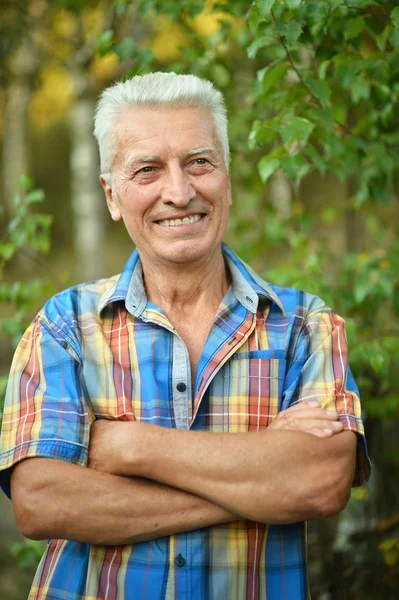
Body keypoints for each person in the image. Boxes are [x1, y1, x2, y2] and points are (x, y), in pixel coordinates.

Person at [0, 72, 370, 600]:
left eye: (199, 162)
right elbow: (41, 503)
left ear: (228, 178)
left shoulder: (306, 327)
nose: (179, 192)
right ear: (111, 195)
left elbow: (320, 483)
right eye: (147, 169)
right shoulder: (64, 327)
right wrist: (261, 482)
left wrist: (128, 448)